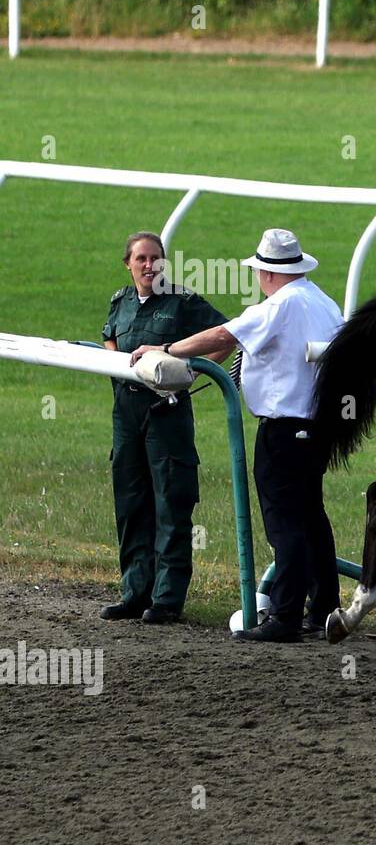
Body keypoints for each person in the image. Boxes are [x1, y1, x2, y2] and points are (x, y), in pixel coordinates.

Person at [131, 228, 344, 643]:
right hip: (316, 427)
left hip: (284, 428)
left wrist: (167, 350)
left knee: (286, 525)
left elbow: (225, 335)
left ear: (266, 273)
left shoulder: (279, 305)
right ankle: (322, 610)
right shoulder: (323, 301)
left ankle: (284, 615)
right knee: (311, 518)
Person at [100, 232, 231, 625]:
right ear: (128, 263)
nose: (148, 265)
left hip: (166, 413)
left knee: (170, 504)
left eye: (155, 258)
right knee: (131, 503)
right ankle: (133, 594)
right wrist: (119, 363)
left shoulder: (183, 302)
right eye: (141, 258)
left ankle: (167, 600)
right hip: (126, 415)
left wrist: (188, 373)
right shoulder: (119, 302)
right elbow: (108, 337)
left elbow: (225, 335)